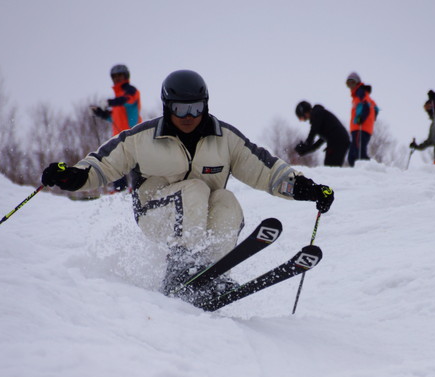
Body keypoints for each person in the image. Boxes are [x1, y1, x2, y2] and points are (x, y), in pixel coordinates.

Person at [41, 69, 334, 305]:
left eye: (195, 108)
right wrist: (74, 176)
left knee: (226, 199)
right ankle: (181, 268)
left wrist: (306, 188)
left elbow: (265, 168)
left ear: (205, 105)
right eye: (180, 109)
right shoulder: (142, 138)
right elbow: (103, 164)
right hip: (154, 214)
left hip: (199, 216)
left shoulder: (225, 138)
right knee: (194, 188)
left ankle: (212, 273)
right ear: (168, 107)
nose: (189, 116)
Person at [90, 64, 142, 190]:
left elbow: (127, 100)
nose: (118, 78)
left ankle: (139, 189)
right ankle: (120, 191)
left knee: (137, 165)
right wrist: (100, 113)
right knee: (117, 164)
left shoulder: (131, 91)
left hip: (133, 135)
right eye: (115, 76)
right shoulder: (117, 98)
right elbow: (113, 118)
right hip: (118, 137)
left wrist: (109, 102)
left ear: (126, 76)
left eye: (120, 75)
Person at [294, 101, 350, 167]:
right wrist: (306, 149)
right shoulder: (320, 118)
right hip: (338, 141)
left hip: (338, 141)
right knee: (330, 166)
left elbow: (313, 131)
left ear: (303, 112)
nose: (303, 120)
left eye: (300, 117)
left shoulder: (318, 113)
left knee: (330, 167)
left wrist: (307, 144)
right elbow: (319, 142)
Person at [345, 72, 378, 166]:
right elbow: (374, 108)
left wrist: (361, 118)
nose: (351, 86)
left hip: (360, 127)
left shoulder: (361, 93)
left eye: (352, 83)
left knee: (355, 155)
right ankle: (369, 169)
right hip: (361, 128)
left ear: (358, 83)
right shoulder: (359, 95)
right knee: (357, 153)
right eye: (348, 84)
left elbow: (367, 107)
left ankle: (369, 169)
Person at [409, 99, 435, 167]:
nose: (427, 111)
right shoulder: (433, 124)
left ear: (434, 107)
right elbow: (430, 141)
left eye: (428, 107)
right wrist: (417, 146)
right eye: (425, 108)